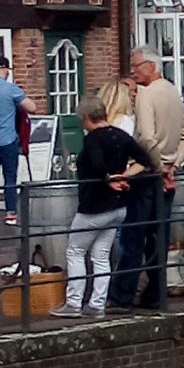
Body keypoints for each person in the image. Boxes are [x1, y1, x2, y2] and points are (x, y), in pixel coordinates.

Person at [49, 99, 151, 318]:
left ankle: (74, 303)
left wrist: (108, 178)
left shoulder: (93, 139)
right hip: (118, 206)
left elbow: (96, 164)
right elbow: (144, 159)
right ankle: (97, 303)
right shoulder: (121, 135)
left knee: (75, 251)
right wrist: (124, 176)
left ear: (87, 118)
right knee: (101, 255)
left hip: (93, 207)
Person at [110, 46, 184, 312]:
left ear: (151, 66)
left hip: (147, 175)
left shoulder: (145, 94)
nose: (133, 70)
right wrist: (174, 164)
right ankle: (155, 295)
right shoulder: (172, 90)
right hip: (167, 173)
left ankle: (122, 297)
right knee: (159, 237)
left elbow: (146, 138)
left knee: (133, 237)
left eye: (137, 65)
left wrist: (156, 166)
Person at [0, 55, 39, 226]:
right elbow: (33, 108)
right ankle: (10, 214)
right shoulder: (11, 89)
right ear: (5, 69)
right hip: (7, 140)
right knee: (9, 177)